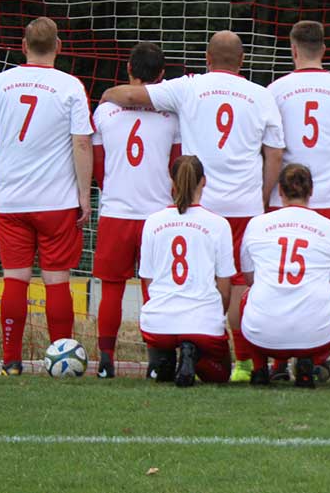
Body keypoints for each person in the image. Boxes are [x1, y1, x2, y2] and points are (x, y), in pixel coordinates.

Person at [102, 30, 285, 381]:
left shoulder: (188, 86)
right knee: (242, 286)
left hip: (202, 205)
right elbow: (274, 153)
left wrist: (107, 95)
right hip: (244, 205)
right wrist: (261, 196)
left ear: (207, 57)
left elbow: (129, 95)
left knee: (190, 279)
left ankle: (182, 345)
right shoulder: (261, 95)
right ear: (242, 61)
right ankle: (248, 365)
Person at [0, 16, 94, 376]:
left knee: (15, 279)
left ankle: (11, 361)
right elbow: (82, 142)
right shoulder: (70, 86)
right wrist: (84, 195)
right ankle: (61, 361)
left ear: (23, 46)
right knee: (57, 280)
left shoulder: (1, 83)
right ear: (59, 47)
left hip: (12, 201)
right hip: (57, 202)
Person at [267, 20, 330, 382]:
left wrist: (268, 196)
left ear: (293, 50)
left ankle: (278, 364)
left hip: (288, 199)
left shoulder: (276, 90)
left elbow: (271, 152)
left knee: (281, 278)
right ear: (324, 49)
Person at [91, 42, 180, 379]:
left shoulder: (104, 112)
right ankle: (157, 361)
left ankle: (105, 359)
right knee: (154, 289)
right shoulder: (172, 114)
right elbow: (177, 164)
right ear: (161, 75)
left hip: (116, 211)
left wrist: (113, 189)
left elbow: (98, 168)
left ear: (128, 70)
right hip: (157, 214)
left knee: (111, 289)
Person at [239, 164, 330, 388]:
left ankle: (260, 370)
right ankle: (309, 362)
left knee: (247, 297)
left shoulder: (256, 225)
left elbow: (250, 278)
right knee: (326, 301)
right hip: (316, 337)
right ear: (311, 191)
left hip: (263, 336)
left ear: (279, 190)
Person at [138, 155, 236, 386]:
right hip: (201, 323)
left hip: (157, 323)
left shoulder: (152, 222)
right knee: (220, 376)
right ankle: (192, 352)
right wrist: (213, 316)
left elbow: (147, 282)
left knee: (164, 358)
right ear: (204, 181)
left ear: (171, 181)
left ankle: (164, 359)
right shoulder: (219, 224)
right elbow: (225, 288)